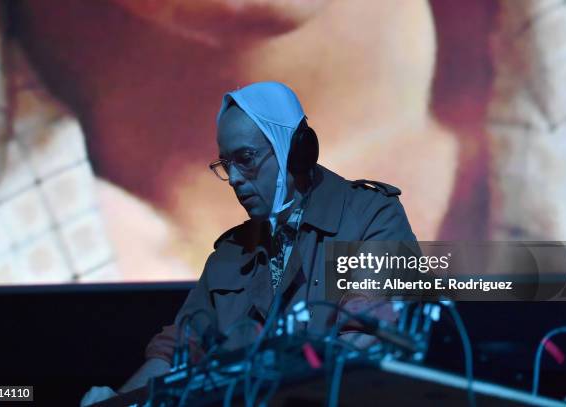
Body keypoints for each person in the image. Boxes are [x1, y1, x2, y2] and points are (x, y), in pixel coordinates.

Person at [80, 81, 418, 406]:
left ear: (297, 152)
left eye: (246, 158)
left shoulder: (372, 216)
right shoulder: (229, 254)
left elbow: (368, 337)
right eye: (227, 165)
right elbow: (177, 353)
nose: (235, 179)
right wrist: (119, 401)